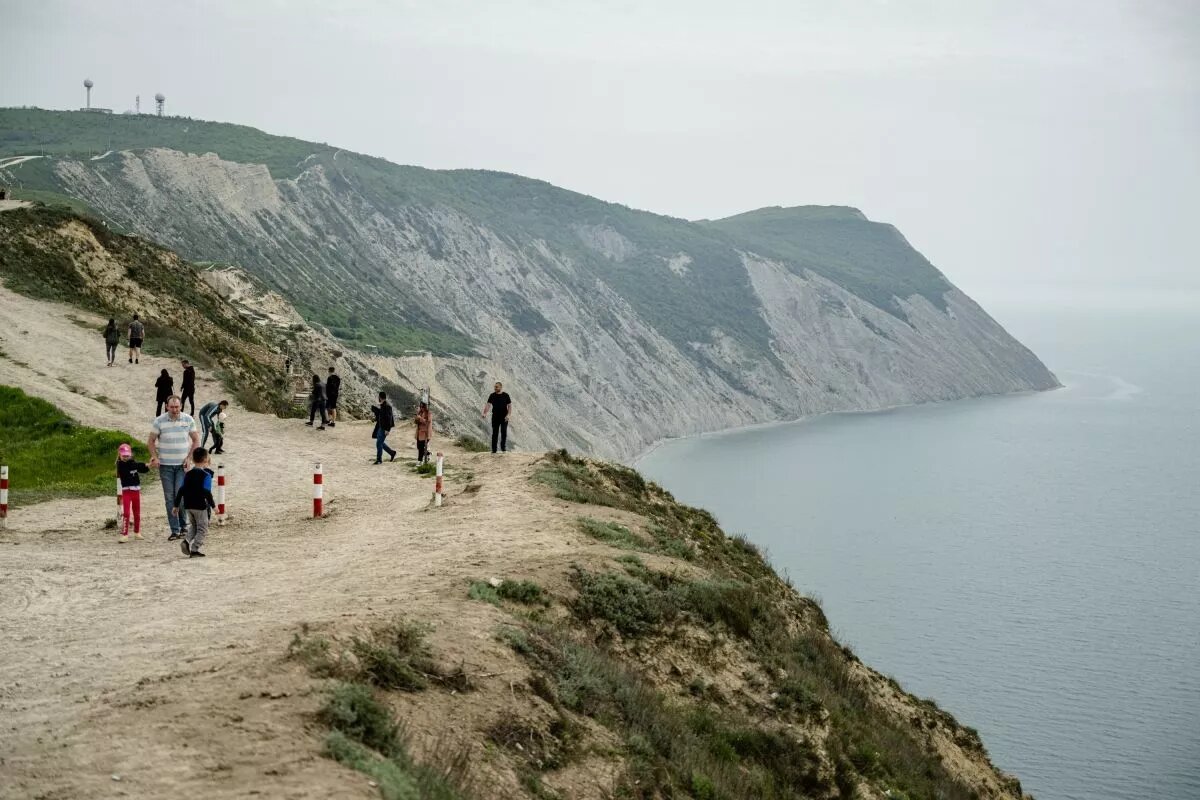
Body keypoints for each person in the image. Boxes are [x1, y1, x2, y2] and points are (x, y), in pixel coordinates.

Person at [148, 395, 200, 542]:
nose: (175, 409)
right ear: (166, 406)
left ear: (181, 406)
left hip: (182, 466)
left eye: (177, 407)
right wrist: (154, 456)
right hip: (165, 466)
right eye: (172, 407)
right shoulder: (159, 421)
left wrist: (189, 458)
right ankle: (175, 530)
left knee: (180, 495)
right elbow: (151, 441)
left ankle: (184, 525)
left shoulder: (188, 419)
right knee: (169, 498)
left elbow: (196, 440)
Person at [173, 446, 215, 558]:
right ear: (206, 459)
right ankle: (195, 549)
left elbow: (181, 490)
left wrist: (176, 505)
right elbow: (207, 492)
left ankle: (186, 541)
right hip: (200, 506)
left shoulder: (188, 474)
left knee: (194, 525)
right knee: (203, 528)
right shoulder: (206, 475)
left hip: (188, 505)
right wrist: (214, 507)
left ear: (193, 459)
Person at [115, 443, 149, 542]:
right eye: (123, 455)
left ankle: (137, 532)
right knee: (126, 512)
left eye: (127, 455)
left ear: (131, 454)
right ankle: (125, 534)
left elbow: (142, 469)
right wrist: (145, 464)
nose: (125, 457)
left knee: (137, 512)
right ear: (119, 455)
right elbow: (133, 466)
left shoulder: (133, 462)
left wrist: (148, 465)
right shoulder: (120, 464)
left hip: (136, 491)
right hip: (126, 491)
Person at [482, 381, 513, 453]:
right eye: (494, 387)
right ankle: (494, 449)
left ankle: (503, 448)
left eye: (496, 387)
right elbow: (488, 405)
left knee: (503, 432)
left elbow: (510, 406)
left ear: (500, 387)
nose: (495, 388)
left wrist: (508, 415)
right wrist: (484, 413)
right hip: (495, 417)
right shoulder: (492, 395)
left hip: (504, 417)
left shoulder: (506, 395)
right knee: (495, 433)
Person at [371, 391, 397, 464]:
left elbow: (389, 418)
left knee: (379, 443)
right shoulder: (383, 405)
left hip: (384, 428)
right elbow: (381, 417)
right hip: (380, 427)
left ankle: (379, 460)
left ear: (380, 397)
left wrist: (387, 430)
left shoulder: (387, 406)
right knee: (380, 443)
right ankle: (392, 453)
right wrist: (375, 419)